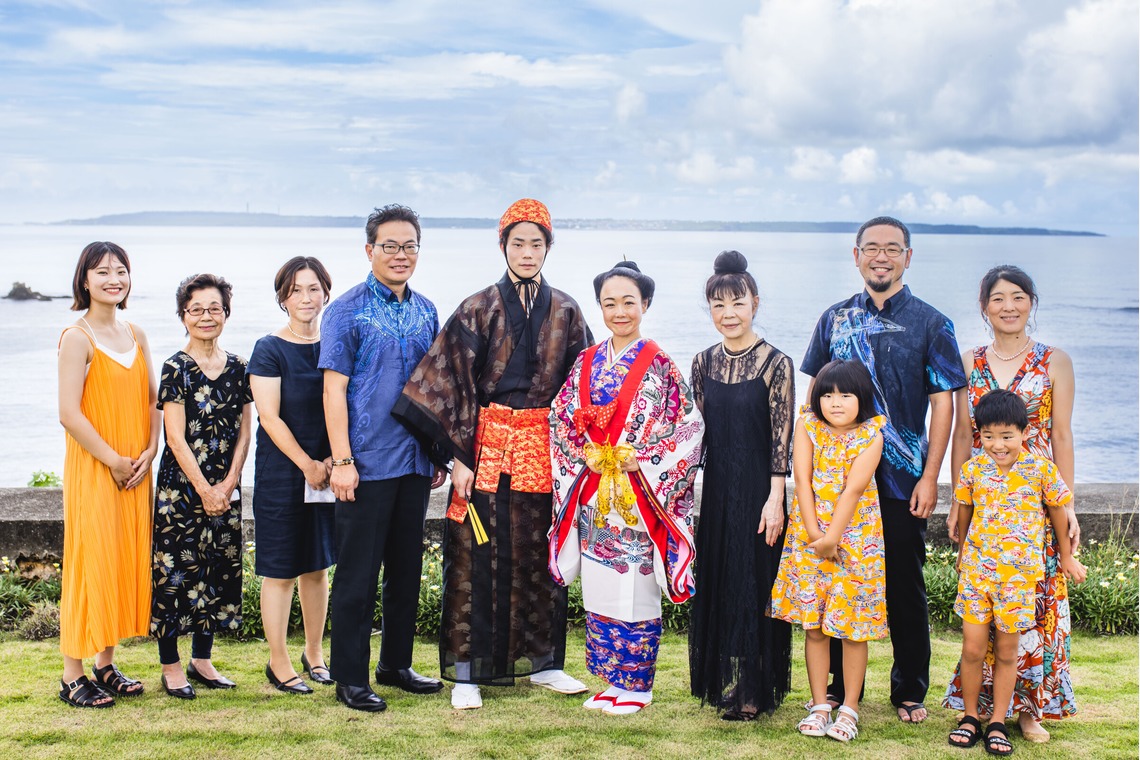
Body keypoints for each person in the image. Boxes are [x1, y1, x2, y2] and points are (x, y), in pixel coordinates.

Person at [394, 199, 593, 710]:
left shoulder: (568, 310)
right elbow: (450, 382)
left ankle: (545, 664)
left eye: (537, 243)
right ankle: (468, 672)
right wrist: (459, 454)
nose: (528, 252)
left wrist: (578, 457)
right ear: (502, 245)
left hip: (543, 447)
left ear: (549, 247)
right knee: (474, 556)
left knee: (540, 553)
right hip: (485, 445)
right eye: (518, 242)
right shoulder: (477, 307)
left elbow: (584, 388)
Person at [800, 216, 966, 723]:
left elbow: (944, 405)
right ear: (856, 256)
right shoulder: (833, 319)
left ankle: (909, 689)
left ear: (908, 257)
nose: (881, 256)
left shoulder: (932, 323)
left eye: (892, 248)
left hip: (900, 480)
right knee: (833, 586)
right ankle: (830, 693)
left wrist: (930, 476)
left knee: (903, 586)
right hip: (833, 486)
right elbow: (811, 403)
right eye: (871, 248)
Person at [549, 260, 704, 716]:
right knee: (599, 587)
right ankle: (609, 681)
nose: (619, 311)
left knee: (635, 589)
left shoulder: (659, 365)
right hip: (596, 489)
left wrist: (644, 456)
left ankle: (637, 685)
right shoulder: (586, 361)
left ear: (645, 305)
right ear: (599, 307)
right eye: (609, 303)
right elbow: (561, 418)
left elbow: (688, 427)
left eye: (629, 302)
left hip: (639, 491)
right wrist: (584, 453)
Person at [942, 265, 1083, 742]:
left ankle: (1030, 709)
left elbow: (1061, 435)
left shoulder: (1054, 361)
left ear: (1031, 302)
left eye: (1018, 297)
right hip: (987, 502)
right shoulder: (968, 360)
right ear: (984, 306)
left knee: (1036, 610)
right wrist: (958, 502)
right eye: (998, 298)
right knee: (982, 621)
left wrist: (1068, 505)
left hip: (1036, 504)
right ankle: (978, 708)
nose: (1009, 306)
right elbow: (964, 434)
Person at [320, 204, 445, 713]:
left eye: (409, 245)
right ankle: (349, 677)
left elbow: (435, 387)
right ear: (369, 249)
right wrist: (341, 460)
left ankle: (395, 664)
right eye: (390, 245)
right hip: (364, 463)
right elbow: (333, 392)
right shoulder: (345, 310)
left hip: (413, 461)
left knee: (406, 571)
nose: (400, 254)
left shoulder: (427, 310)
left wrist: (438, 450)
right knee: (356, 574)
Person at [945, 389, 1085, 756]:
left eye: (1006, 436)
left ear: (1024, 432)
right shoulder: (973, 469)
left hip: (1019, 580)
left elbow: (1058, 513)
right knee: (973, 649)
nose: (997, 444)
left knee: (1007, 653)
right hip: (977, 576)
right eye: (988, 436)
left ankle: (998, 722)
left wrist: (1068, 558)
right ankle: (971, 717)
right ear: (980, 435)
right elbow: (965, 509)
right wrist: (962, 552)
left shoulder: (1040, 469)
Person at [688, 250, 794, 721]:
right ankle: (728, 682)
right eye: (718, 305)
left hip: (758, 488)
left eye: (737, 303)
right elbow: (695, 435)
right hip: (717, 489)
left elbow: (782, 440)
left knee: (756, 581)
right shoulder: (702, 362)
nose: (728, 314)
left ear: (755, 303)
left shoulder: (777, 364)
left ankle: (756, 688)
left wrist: (776, 499)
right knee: (722, 577)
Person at [57, 242, 161, 708]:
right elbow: (68, 413)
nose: (113, 279)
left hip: (136, 468)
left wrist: (150, 449)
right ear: (85, 280)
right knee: (88, 559)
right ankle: (71, 674)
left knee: (121, 558)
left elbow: (153, 399)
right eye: (102, 272)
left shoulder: (135, 332)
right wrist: (113, 459)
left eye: (120, 271)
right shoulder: (76, 336)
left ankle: (104, 663)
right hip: (96, 468)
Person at [769, 359, 888, 742]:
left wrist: (833, 537)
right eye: (828, 394)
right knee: (815, 626)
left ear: (862, 398)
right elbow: (801, 480)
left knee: (853, 629)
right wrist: (815, 533)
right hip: (809, 536)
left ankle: (849, 708)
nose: (835, 402)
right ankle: (821, 705)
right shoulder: (808, 425)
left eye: (846, 394)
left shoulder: (872, 434)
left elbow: (854, 489)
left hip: (856, 540)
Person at [151, 274, 253, 699]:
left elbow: (247, 431)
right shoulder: (176, 367)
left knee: (216, 570)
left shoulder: (239, 367)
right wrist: (205, 489)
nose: (206, 316)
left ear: (226, 314)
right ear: (183, 316)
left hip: (227, 484)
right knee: (175, 573)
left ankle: (203, 659)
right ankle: (172, 666)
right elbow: (174, 437)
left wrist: (227, 483)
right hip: (181, 488)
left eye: (214, 308)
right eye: (197, 309)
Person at [248, 257, 336, 695]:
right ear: (283, 296)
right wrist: (307, 464)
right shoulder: (269, 348)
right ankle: (278, 661)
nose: (307, 297)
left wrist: (333, 464)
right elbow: (269, 417)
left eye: (314, 288)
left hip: (328, 471)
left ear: (326, 292)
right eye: (297, 289)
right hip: (284, 473)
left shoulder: (335, 343)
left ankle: (315, 654)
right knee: (281, 571)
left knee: (318, 568)